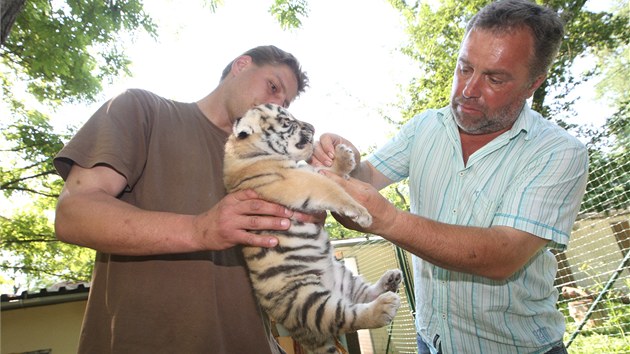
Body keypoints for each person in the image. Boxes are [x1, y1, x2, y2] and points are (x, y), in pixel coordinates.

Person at [312, 1, 589, 353]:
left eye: (495, 77)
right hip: (432, 341)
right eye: (465, 67)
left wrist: (387, 219)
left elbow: (502, 255)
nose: (469, 89)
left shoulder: (558, 152)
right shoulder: (425, 126)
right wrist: (346, 160)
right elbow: (368, 175)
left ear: (533, 83)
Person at [53, 45, 310, 354]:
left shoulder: (268, 165)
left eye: (285, 102)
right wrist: (199, 230)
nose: (277, 105)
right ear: (241, 66)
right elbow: (73, 213)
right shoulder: (143, 110)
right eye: (273, 87)